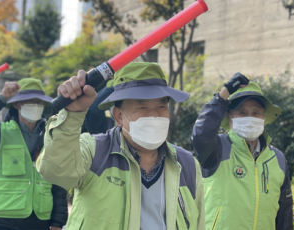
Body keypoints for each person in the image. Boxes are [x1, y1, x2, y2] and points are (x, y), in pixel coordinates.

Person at [37, 62, 205, 230]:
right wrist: (72, 115)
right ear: (118, 116)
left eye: (161, 107)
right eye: (143, 107)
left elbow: (199, 223)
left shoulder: (187, 164)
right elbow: (56, 172)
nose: (154, 115)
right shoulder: (95, 150)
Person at [191, 73, 293, 230]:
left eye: (256, 112)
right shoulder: (217, 149)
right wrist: (222, 95)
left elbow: (284, 214)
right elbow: (200, 135)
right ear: (230, 117)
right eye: (242, 113)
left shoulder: (277, 159)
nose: (250, 118)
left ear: (263, 117)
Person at [0, 78, 68, 230]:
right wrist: (0, 99)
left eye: (38, 102)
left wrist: (57, 222)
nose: (35, 106)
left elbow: (58, 181)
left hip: (39, 220)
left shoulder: (50, 137)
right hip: (1, 220)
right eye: (29, 101)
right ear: (17, 104)